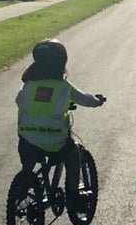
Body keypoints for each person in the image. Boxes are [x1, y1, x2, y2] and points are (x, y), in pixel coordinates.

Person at [16, 39, 106, 209]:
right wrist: (98, 100)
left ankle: (25, 181)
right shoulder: (63, 87)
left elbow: (19, 101)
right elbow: (85, 99)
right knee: (73, 155)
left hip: (27, 138)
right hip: (55, 141)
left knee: (29, 156)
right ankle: (74, 195)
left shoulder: (28, 85)